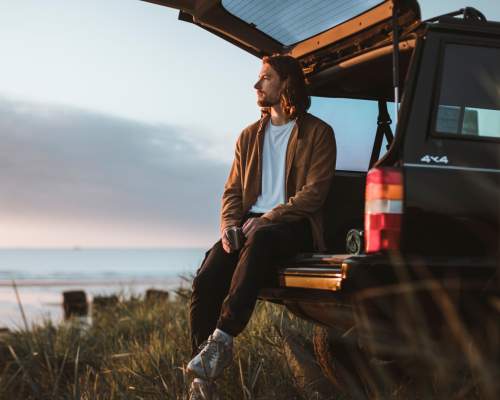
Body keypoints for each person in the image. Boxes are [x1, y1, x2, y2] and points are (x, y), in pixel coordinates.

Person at [187, 54, 336, 399]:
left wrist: (266, 219)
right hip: (248, 227)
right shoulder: (248, 137)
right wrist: (228, 226)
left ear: (286, 83)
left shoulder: (318, 133)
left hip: (290, 225)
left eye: (265, 77)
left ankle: (223, 338)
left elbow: (314, 194)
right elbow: (233, 191)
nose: (256, 85)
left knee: (264, 237)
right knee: (207, 277)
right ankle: (201, 380)